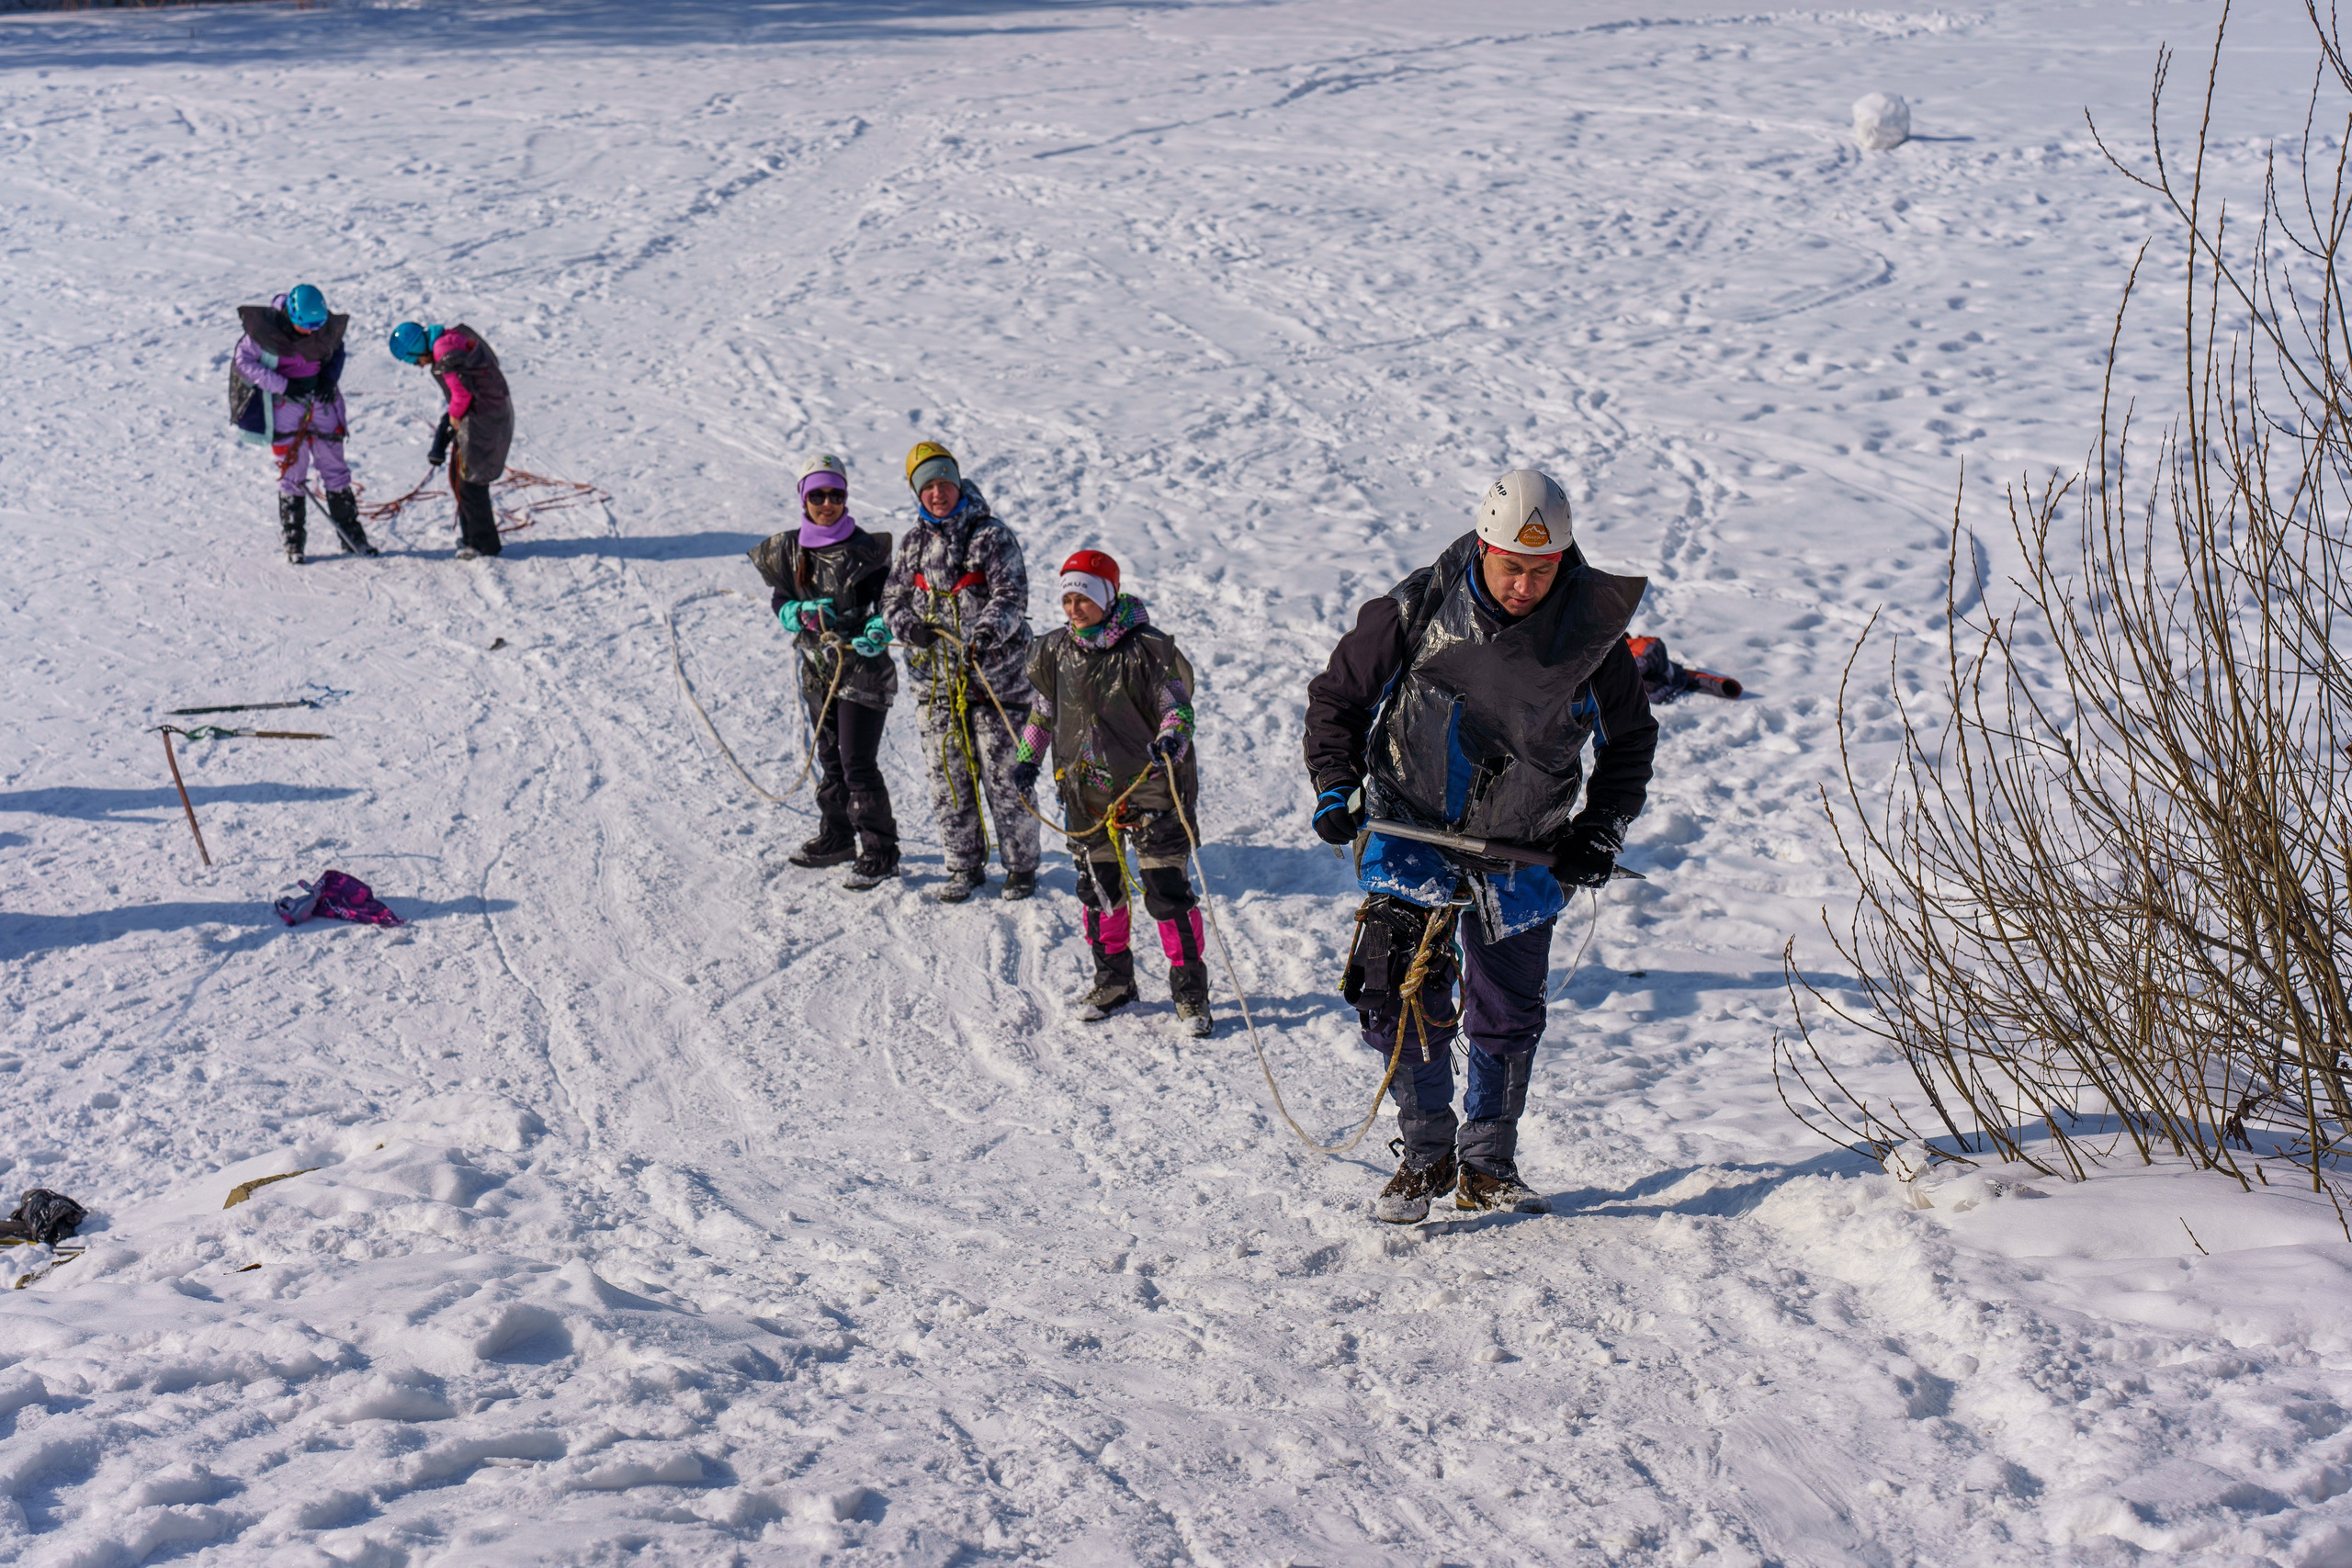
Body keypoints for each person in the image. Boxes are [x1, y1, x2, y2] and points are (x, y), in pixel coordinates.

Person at [1303, 469, 1658, 1222]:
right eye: (1510, 567)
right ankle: (1427, 1154)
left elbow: (1630, 741)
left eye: (1542, 570)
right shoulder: (1422, 601)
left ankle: (1488, 1163)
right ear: (1484, 547)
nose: (1525, 585)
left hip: (1526, 840)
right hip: (1412, 818)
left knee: (1507, 1005)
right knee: (1393, 983)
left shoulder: (1594, 637)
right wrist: (1336, 785)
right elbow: (1338, 696)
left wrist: (1600, 827)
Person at [1010, 549, 1211, 1035]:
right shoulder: (1056, 650)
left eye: (1084, 597)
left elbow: (1177, 708)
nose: (1074, 607)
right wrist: (1026, 758)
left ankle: (1190, 995)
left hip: (1150, 789)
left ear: (1107, 595)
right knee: (1100, 890)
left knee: (1167, 891)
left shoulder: (1147, 649)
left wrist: (1171, 738)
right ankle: (1114, 981)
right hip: (1086, 792)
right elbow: (1043, 711)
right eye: (1068, 598)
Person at [878, 441, 1041, 904]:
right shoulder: (912, 544)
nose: (937, 493)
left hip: (996, 681)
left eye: (943, 482)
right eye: (926, 486)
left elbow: (1011, 596)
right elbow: (891, 599)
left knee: (1005, 775)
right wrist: (908, 626)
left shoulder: (991, 536)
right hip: (936, 683)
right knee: (946, 776)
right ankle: (964, 864)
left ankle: (1021, 865)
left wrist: (987, 632)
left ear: (957, 481)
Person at [750, 453, 901, 889]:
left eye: (836, 494)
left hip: (863, 666)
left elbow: (888, 601)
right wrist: (794, 613)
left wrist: (878, 625)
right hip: (819, 669)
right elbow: (780, 598)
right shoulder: (788, 549)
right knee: (831, 758)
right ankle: (837, 836)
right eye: (818, 494)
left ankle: (881, 849)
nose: (828, 503)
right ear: (804, 497)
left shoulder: (867, 549)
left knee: (857, 761)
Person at [231, 284, 374, 563]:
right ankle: (294, 541)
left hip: (321, 401)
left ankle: (352, 536)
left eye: (316, 326)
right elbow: (243, 362)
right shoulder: (264, 331)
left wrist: (329, 379)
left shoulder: (324, 328)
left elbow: (338, 350)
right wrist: (282, 385)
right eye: (305, 326)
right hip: (285, 404)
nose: (311, 332)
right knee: (291, 471)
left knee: (334, 467)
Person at [388, 321, 513, 559]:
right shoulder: (449, 338)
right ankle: (471, 538)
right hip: (487, 410)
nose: (418, 366)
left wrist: (454, 418)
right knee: (461, 476)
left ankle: (483, 545)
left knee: (470, 482)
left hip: (484, 416)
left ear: (417, 350)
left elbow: (462, 393)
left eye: (414, 361)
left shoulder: (444, 354)